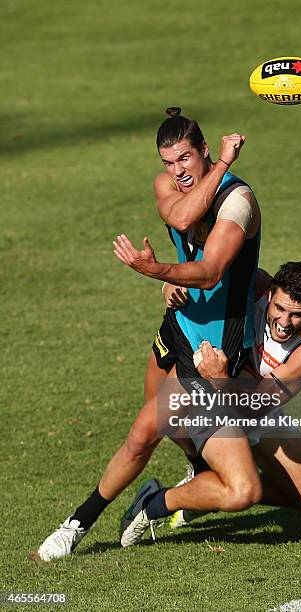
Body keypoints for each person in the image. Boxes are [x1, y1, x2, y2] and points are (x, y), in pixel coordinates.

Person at [34, 107, 261, 561]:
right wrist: (166, 281)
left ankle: (155, 503)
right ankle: (75, 525)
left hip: (212, 350)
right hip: (177, 325)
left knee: (243, 489)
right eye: (167, 162)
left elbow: (211, 270)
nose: (176, 171)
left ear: (203, 150)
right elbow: (179, 218)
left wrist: (157, 268)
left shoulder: (238, 203)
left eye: (184, 159)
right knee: (147, 433)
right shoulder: (168, 186)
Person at [119, 261, 301, 543]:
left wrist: (221, 378)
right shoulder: (255, 284)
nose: (284, 322)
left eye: (297, 315)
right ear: (270, 294)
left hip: (251, 404)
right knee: (241, 488)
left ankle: (198, 491)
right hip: (209, 396)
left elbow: (255, 406)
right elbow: (205, 273)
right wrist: (170, 284)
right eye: (279, 308)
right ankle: (158, 505)